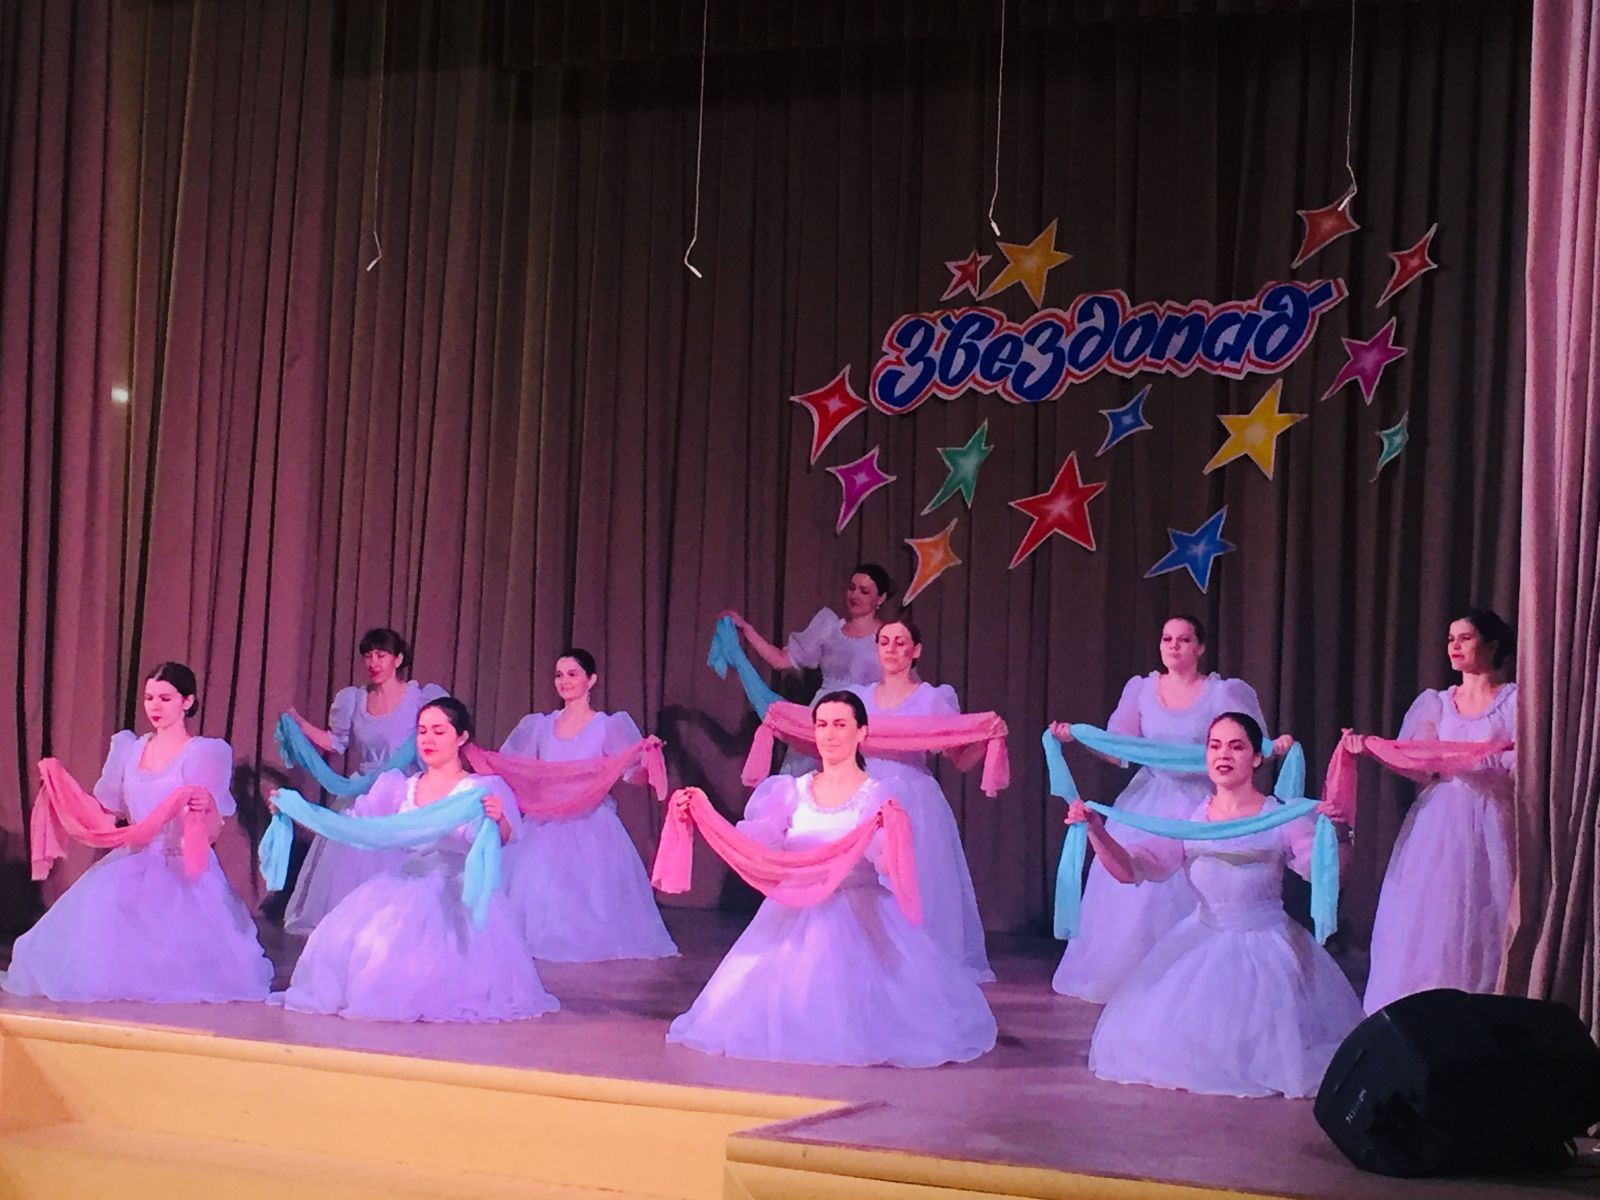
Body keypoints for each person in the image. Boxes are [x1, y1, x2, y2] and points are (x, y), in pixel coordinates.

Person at [666, 692, 997, 1067]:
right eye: (822, 725)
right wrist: (702, 811)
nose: (829, 734)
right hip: (794, 909)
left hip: (860, 909)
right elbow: (756, 847)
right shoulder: (789, 791)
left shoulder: (880, 794)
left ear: (861, 732)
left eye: (840, 725)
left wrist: (891, 830)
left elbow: (891, 863)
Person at [1072, 712, 1362, 1098]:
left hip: (1268, 944)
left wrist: (1339, 834)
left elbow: (1326, 875)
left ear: (1256, 758)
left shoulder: (1280, 815)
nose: (1223, 755)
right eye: (1215, 746)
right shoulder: (1190, 818)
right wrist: (1095, 830)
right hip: (1203, 939)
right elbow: (1132, 868)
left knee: (1275, 1047)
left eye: (1236, 746)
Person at [3, 663, 272, 1003]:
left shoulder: (203, 752)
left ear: (187, 702)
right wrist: (63, 790)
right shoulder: (129, 748)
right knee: (101, 906)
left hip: (179, 862)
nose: (155, 706)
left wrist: (206, 808)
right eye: (149, 698)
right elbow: (107, 811)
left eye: (165, 698)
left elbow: (213, 829)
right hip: (134, 856)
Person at [1049, 615, 1285, 1003]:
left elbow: (1252, 743)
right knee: (1135, 894)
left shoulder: (1222, 693)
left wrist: (1277, 747)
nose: (1174, 646)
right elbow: (1118, 749)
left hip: (1202, 801)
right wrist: (1077, 736)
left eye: (1184, 639)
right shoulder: (1142, 690)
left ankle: (1195, 981)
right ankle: (1137, 982)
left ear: (1200, 647)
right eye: (1167, 639)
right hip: (1149, 798)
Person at [279, 697, 558, 1023]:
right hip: (407, 882)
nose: (428, 739)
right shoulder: (399, 787)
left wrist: (498, 819)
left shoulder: (480, 788)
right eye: (423, 731)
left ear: (461, 737)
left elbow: (502, 840)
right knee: (367, 947)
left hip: (458, 890)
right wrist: (296, 811)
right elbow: (355, 825)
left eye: (439, 731)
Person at [1354, 608, 1518, 1013]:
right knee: (1432, 915)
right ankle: (1423, 1013)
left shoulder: (1514, 701)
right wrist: (1373, 749)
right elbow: (1419, 764)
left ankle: (1480, 1012)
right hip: (1442, 818)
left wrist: (1488, 763)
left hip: (1491, 815)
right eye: (1450, 639)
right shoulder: (1437, 704)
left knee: (1485, 913)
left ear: (1491, 645)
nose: (1455, 647)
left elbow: (1522, 764)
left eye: (1465, 638)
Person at [497, 649, 678, 961]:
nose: (564, 681)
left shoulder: (606, 726)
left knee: (589, 894)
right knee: (540, 890)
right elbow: (514, 768)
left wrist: (647, 758)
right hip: (546, 822)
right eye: (559, 675)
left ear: (590, 680)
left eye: (572, 674)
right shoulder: (540, 725)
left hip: (590, 821)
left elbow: (632, 775)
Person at [849, 620, 992, 982]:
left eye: (900, 642)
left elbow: (960, 759)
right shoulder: (859, 699)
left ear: (916, 650)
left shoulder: (931, 699)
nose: (891, 649)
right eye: (884, 641)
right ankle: (867, 958)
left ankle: (912, 967)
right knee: (863, 882)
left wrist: (987, 739)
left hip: (913, 800)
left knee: (914, 884)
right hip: (865, 795)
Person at [281, 628, 448, 933]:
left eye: (381, 655)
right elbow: (336, 742)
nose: (373, 662)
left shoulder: (419, 699)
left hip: (403, 791)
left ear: (398, 659)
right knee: (349, 861)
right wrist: (300, 724)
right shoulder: (354, 700)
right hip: (363, 791)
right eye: (368, 656)